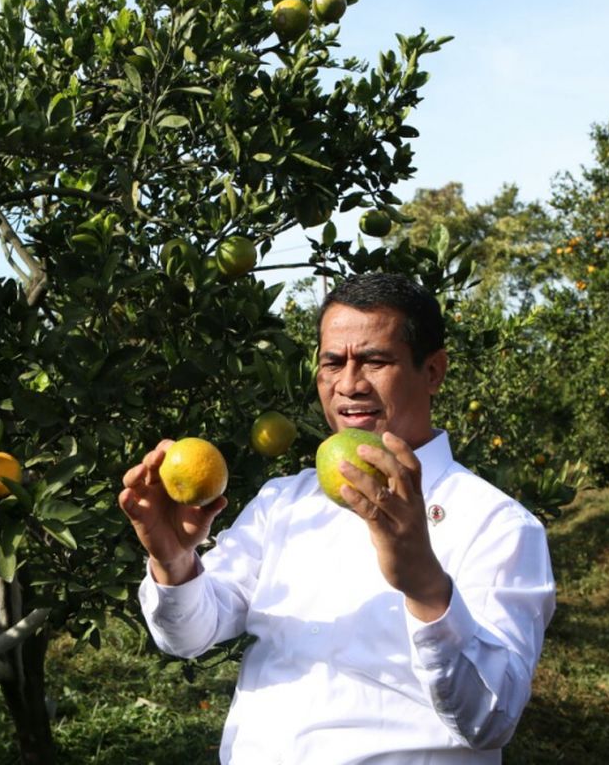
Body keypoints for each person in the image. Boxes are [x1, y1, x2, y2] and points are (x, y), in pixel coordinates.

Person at [119, 272, 555, 764]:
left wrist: (427, 589)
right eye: (332, 362)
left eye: (375, 360)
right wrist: (175, 563)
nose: (349, 384)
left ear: (432, 371)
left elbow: (491, 720)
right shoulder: (283, 501)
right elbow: (188, 636)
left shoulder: (496, 524)